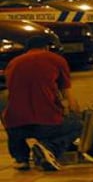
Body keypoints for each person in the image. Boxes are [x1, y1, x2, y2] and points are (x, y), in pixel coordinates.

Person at [2, 35, 83, 172]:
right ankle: (50, 148)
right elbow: (68, 96)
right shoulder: (57, 60)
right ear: (47, 47)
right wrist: (77, 114)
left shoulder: (13, 62)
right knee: (78, 124)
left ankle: (21, 159)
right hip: (45, 123)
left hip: (15, 125)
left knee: (13, 115)